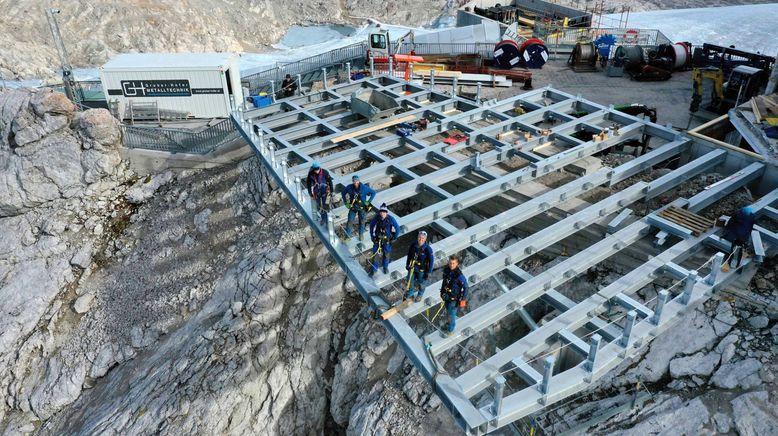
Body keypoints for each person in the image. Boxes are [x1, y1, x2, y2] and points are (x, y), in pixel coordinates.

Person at [340, 175, 376, 241]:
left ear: (359, 181)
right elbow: (343, 193)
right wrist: (346, 203)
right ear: (352, 181)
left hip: (362, 208)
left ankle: (361, 234)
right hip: (353, 207)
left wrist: (369, 202)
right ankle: (348, 236)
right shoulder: (349, 187)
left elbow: (373, 192)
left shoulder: (364, 188)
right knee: (350, 221)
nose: (355, 183)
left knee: (362, 221)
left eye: (356, 181)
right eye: (354, 181)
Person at [439, 255, 468, 337]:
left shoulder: (459, 276)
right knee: (448, 313)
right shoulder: (447, 271)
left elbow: (466, 287)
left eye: (453, 263)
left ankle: (450, 330)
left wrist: (463, 300)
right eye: (450, 263)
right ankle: (448, 324)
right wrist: (442, 292)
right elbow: (444, 282)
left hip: (454, 299)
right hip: (447, 297)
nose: (451, 265)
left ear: (457, 264)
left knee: (452, 315)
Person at [368, 203, 400, 276]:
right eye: (381, 212)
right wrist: (372, 237)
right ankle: (374, 269)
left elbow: (397, 228)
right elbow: (371, 227)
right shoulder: (377, 218)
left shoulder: (391, 219)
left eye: (384, 212)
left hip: (387, 239)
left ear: (386, 212)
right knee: (375, 253)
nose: (382, 213)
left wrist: (394, 237)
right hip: (378, 238)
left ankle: (385, 267)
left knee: (386, 254)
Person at [405, 230, 434, 302]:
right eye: (419, 237)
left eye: (423, 238)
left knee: (422, 283)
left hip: (422, 269)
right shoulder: (413, 245)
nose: (421, 239)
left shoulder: (428, 249)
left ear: (425, 239)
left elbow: (431, 261)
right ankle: (410, 294)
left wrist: (429, 272)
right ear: (417, 237)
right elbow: (409, 255)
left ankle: (420, 294)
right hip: (413, 267)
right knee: (410, 280)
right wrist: (407, 264)